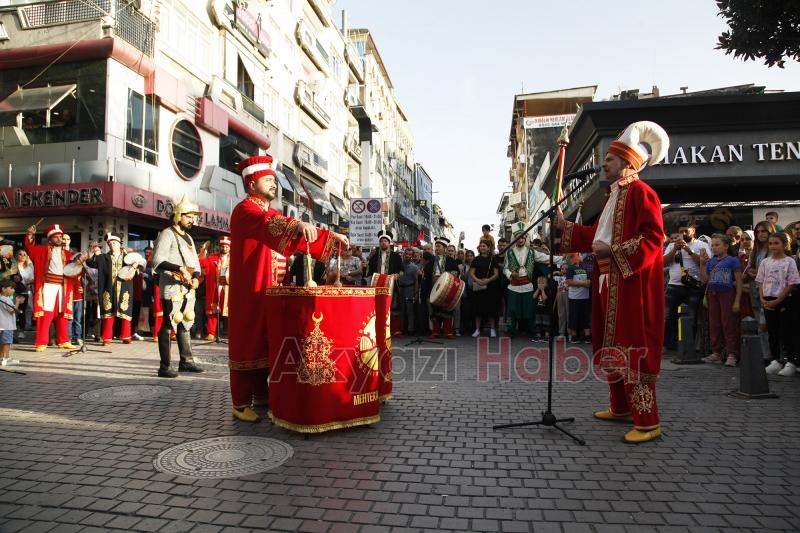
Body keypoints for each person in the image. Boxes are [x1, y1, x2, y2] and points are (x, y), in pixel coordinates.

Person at [555, 120, 669, 443]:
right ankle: (620, 407)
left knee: (633, 347)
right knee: (612, 346)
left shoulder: (642, 193)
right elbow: (594, 236)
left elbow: (653, 238)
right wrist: (565, 228)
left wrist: (614, 251)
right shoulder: (612, 198)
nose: (604, 163)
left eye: (610, 158)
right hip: (609, 281)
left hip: (632, 284)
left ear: (628, 162)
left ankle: (648, 421)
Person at [228, 155, 347, 423]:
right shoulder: (246, 210)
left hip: (268, 289)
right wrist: (298, 226)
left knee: (264, 342)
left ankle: (261, 394)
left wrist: (329, 237)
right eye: (268, 180)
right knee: (247, 341)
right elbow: (276, 226)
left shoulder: (264, 211)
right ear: (251, 184)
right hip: (249, 290)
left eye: (274, 179)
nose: (274, 184)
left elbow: (287, 233)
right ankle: (239, 402)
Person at [152, 196, 205, 378]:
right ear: (178, 215)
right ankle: (164, 366)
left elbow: (195, 263)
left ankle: (186, 361)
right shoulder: (167, 233)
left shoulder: (189, 237)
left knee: (186, 322)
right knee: (169, 323)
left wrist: (197, 277)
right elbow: (158, 260)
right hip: (172, 287)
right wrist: (178, 268)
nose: (192, 220)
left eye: (193, 217)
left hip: (187, 287)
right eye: (189, 216)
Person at [24, 223, 76, 351]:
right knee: (46, 314)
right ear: (50, 238)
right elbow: (29, 248)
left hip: (63, 287)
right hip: (48, 286)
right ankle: (41, 342)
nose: (59, 239)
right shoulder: (41, 250)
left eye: (61, 237)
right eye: (56, 237)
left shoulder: (69, 254)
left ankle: (63, 340)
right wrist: (30, 234)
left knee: (62, 314)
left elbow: (75, 270)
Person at [662, 223, 711, 352]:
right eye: (681, 231)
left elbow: (705, 262)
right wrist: (674, 250)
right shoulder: (672, 245)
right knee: (669, 316)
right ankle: (670, 345)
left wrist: (689, 251)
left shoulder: (702, 245)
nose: (683, 233)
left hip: (694, 286)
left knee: (691, 316)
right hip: (674, 285)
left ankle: (688, 345)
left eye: (686, 231)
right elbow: (662, 262)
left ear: (693, 231)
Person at [757, 232, 800, 376]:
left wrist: (777, 300)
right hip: (768, 299)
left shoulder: (789, 261)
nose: (773, 246)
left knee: (786, 331)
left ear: (784, 245)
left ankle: (791, 361)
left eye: (776, 243)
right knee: (772, 331)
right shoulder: (765, 262)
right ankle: (775, 360)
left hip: (783, 299)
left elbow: (791, 283)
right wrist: (763, 299)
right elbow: (761, 281)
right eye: (771, 243)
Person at [698, 234, 742, 366]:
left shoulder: (733, 261)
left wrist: (737, 300)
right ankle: (716, 352)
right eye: (713, 245)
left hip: (727, 294)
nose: (714, 248)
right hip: (713, 294)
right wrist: (701, 264)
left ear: (726, 246)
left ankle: (732, 354)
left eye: (717, 245)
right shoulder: (711, 261)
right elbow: (705, 280)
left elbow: (739, 282)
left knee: (728, 324)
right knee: (714, 324)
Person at [87, 233, 134, 346]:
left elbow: (140, 264)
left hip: (124, 286)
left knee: (125, 309)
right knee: (108, 311)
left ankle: (126, 335)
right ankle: (107, 337)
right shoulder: (104, 257)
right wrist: (95, 253)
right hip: (108, 287)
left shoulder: (127, 256)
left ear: (119, 244)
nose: (112, 245)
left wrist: (135, 266)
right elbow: (91, 264)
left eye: (114, 243)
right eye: (110, 243)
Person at [504, 222, 550, 336]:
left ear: (525, 239)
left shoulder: (532, 252)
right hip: (513, 286)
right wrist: (510, 274)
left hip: (527, 286)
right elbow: (505, 268)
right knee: (512, 310)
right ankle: (511, 330)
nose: (520, 240)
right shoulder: (509, 252)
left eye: (522, 238)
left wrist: (563, 258)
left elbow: (546, 258)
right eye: (518, 238)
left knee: (529, 309)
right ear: (515, 238)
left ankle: (530, 329)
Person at [425, 237, 460, 338]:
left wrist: (443, 277)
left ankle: (448, 331)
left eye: (439, 246)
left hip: (445, 288)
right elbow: (426, 273)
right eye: (436, 246)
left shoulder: (450, 260)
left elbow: (455, 272)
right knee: (434, 310)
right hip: (433, 287)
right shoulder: (431, 260)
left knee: (446, 309)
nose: (437, 248)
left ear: (444, 248)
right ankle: (435, 331)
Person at [470, 241, 500, 337]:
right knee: (477, 309)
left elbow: (496, 274)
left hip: (491, 287)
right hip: (478, 287)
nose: (482, 247)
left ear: (488, 248)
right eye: (481, 246)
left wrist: (488, 280)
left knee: (491, 309)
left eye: (484, 246)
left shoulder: (493, 259)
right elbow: (472, 272)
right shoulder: (476, 259)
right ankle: (477, 330)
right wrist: (478, 280)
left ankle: (492, 329)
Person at [203, 236, 231, 341]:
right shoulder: (212, 258)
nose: (224, 249)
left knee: (230, 311)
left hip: (229, 287)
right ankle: (211, 332)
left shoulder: (235, 259)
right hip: (216, 286)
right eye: (223, 247)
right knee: (213, 310)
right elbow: (201, 264)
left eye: (226, 247)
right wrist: (203, 251)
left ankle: (230, 333)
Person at [566, 255, 592, 343]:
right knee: (574, 316)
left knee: (585, 316)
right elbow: (569, 282)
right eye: (579, 255)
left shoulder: (585, 268)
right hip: (574, 297)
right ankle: (574, 336)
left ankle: (587, 335)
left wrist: (583, 284)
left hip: (585, 297)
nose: (581, 257)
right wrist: (583, 284)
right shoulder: (570, 268)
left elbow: (589, 282)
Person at [396, 247, 419, 334]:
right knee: (401, 310)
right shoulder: (399, 265)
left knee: (410, 310)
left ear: (412, 256)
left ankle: (410, 329)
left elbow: (416, 281)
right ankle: (401, 329)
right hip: (400, 289)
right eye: (406, 254)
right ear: (403, 254)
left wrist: (416, 293)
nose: (408, 256)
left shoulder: (414, 267)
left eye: (410, 254)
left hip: (410, 289)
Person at [0, 279, 22, 366]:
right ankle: (7, 358)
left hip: (1, 325)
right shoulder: (6, 299)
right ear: (3, 289)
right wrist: (17, 302)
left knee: (1, 342)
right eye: (11, 288)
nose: (13, 290)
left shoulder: (1, 298)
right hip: (7, 325)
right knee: (7, 342)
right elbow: (12, 310)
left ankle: (1, 358)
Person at [14, 249, 34, 335]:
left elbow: (33, 278)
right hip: (15, 290)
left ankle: (26, 326)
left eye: (24, 254)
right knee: (14, 309)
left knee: (28, 308)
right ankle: (13, 328)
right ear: (16, 256)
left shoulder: (29, 266)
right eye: (20, 254)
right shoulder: (13, 266)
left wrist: (27, 284)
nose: (22, 256)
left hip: (27, 289)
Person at [553, 263, 569, 337]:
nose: (564, 270)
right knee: (561, 313)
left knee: (568, 313)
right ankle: (561, 332)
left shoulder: (570, 277)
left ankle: (570, 332)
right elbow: (549, 276)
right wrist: (556, 272)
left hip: (567, 294)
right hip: (559, 294)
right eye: (562, 269)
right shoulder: (558, 277)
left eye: (566, 269)